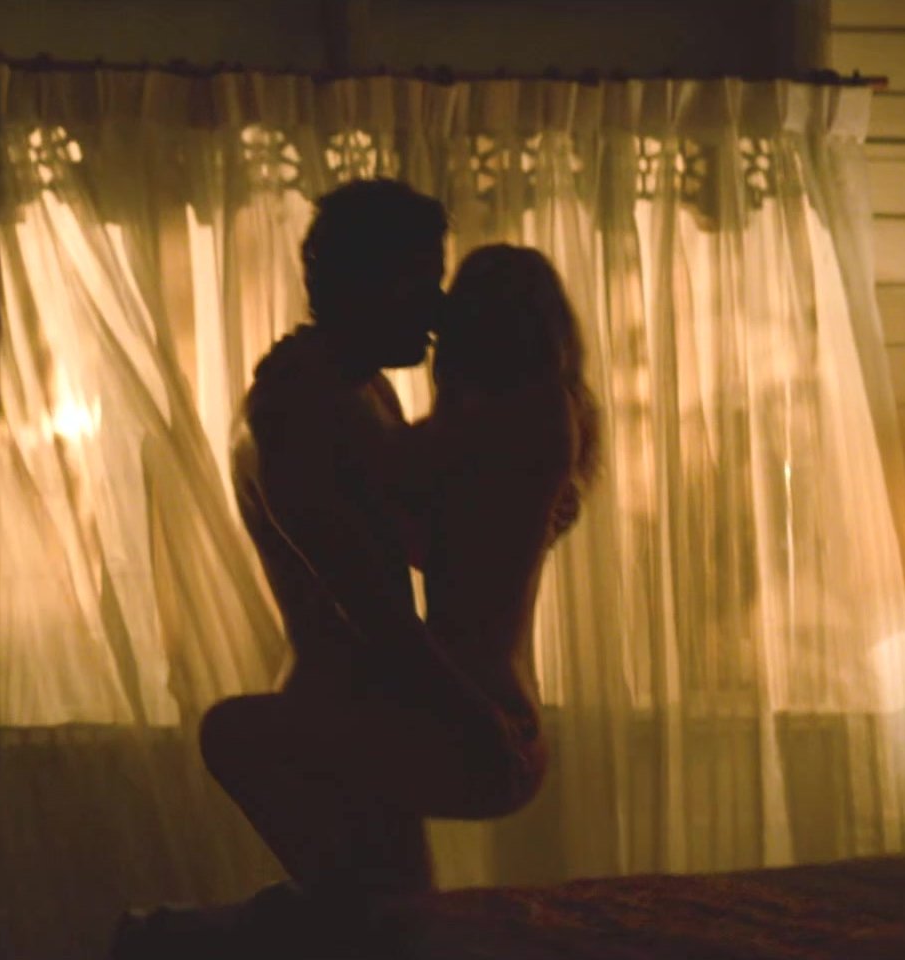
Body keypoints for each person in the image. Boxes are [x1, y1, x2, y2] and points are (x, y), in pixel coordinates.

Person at [113, 181, 599, 958]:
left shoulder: (363, 395)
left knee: (388, 926)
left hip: (407, 703)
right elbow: (374, 607)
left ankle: (185, 937)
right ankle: (186, 937)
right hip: (387, 704)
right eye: (423, 279)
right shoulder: (304, 407)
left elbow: (412, 529)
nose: (438, 308)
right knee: (389, 926)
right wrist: (474, 716)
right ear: (369, 283)